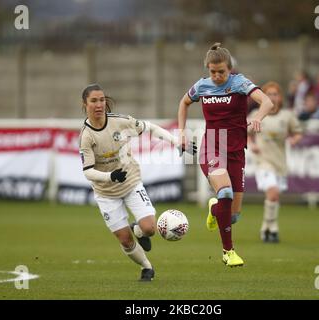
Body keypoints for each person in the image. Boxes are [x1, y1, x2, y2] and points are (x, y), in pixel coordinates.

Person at [79, 84, 196, 281]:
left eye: (101, 100)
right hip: (106, 193)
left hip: (131, 182)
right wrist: (110, 177)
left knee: (150, 228)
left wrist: (176, 141)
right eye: (94, 101)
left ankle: (138, 230)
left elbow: (150, 128)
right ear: (85, 104)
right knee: (125, 240)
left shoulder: (121, 122)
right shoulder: (86, 136)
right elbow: (88, 172)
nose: (99, 104)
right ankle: (147, 267)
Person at [177, 43, 274, 267]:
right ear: (208, 69)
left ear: (229, 68)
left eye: (222, 71)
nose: (218, 76)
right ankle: (228, 252)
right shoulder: (202, 86)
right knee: (226, 192)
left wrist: (258, 117)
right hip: (211, 146)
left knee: (232, 216)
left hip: (236, 151)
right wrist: (181, 132)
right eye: (213, 71)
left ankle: (214, 208)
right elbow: (183, 103)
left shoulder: (239, 82)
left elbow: (267, 102)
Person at [248, 82, 303, 243]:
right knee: (273, 192)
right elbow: (245, 133)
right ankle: (272, 228)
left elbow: (298, 132)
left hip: (280, 162)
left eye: (275, 94)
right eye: (269, 94)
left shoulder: (287, 116)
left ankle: (267, 228)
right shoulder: (256, 114)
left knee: (274, 197)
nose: (272, 97)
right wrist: (252, 145)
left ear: (280, 97)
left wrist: (294, 139)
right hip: (263, 162)